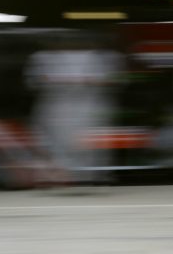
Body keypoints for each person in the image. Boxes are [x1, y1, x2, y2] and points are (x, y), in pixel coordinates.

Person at [25, 31, 123, 185]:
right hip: (56, 109)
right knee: (58, 143)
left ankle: (93, 178)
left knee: (89, 146)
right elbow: (34, 82)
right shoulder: (42, 57)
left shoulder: (106, 57)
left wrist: (86, 82)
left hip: (91, 108)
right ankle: (60, 177)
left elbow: (116, 81)